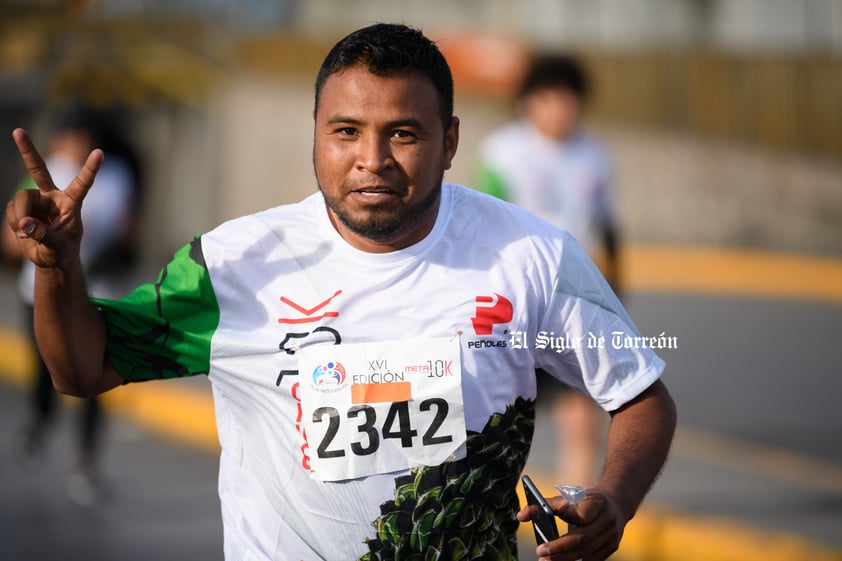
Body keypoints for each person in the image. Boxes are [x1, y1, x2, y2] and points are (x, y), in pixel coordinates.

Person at [6, 23, 675, 561]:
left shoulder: (535, 257)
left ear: (450, 142)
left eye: (404, 134)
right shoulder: (233, 263)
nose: (372, 159)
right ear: (317, 136)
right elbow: (81, 366)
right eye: (346, 131)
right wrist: (59, 267)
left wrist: (614, 498)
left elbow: (641, 395)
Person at [476, 54, 622, 489]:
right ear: (528, 102)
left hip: (575, 298)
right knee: (497, 420)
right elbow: (485, 226)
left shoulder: (595, 156)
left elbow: (604, 228)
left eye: (569, 98)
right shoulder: (503, 151)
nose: (560, 107)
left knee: (581, 418)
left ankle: (573, 523)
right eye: (549, 97)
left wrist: (614, 298)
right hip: (517, 301)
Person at [2, 103, 141, 506]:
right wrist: (34, 238)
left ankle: (86, 464)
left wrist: (108, 257)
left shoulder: (114, 176)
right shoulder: (44, 174)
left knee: (97, 381)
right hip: (41, 295)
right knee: (46, 369)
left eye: (83, 133)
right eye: (70, 133)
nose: (75, 142)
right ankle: (39, 421)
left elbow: (129, 232)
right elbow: (10, 241)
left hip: (99, 296)